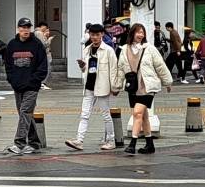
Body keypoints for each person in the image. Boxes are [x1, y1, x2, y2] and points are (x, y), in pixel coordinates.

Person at [114, 23, 173, 155]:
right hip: (133, 87)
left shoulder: (150, 49)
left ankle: (132, 143)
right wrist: (116, 87)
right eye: (138, 32)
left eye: (143, 32)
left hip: (148, 86)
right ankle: (149, 144)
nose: (141, 35)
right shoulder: (124, 50)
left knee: (137, 113)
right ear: (132, 34)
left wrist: (167, 82)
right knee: (144, 116)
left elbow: (160, 66)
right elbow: (120, 70)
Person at [65, 23, 120, 152]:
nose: (94, 37)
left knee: (106, 115)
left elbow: (113, 69)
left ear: (102, 35)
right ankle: (79, 140)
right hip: (89, 86)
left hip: (102, 87)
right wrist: (82, 66)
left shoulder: (108, 50)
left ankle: (111, 140)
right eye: (92, 35)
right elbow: (86, 69)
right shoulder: (87, 49)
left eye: (97, 35)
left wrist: (115, 87)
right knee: (84, 115)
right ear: (89, 35)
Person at [3, 17, 49, 155]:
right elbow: (8, 65)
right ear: (18, 28)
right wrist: (12, 80)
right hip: (17, 85)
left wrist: (35, 81)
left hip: (32, 87)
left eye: (28, 27)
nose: (26, 30)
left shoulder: (37, 44)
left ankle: (20, 143)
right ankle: (35, 143)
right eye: (23, 27)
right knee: (24, 114)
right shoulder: (12, 45)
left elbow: (43, 66)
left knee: (25, 112)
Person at [34, 22, 54, 90]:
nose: (46, 29)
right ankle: (42, 83)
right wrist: (49, 40)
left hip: (41, 54)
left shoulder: (36, 33)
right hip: (44, 54)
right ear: (42, 26)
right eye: (46, 28)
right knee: (47, 68)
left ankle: (41, 83)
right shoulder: (39, 33)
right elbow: (44, 44)